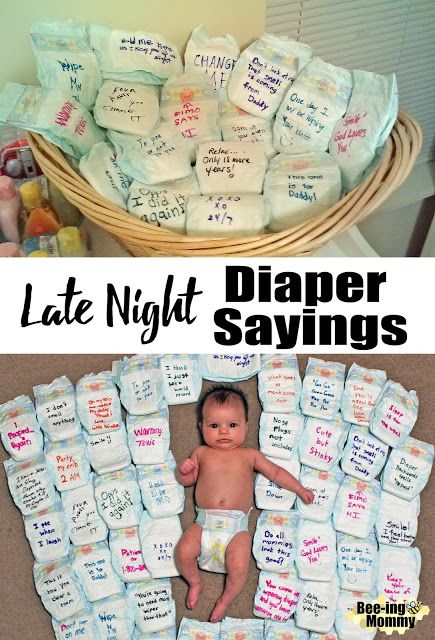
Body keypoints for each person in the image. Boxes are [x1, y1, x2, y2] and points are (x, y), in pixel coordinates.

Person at [175, 384, 314, 622]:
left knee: (240, 567)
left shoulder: (250, 455)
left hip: (236, 529)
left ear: (246, 426)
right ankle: (194, 582)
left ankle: (225, 599)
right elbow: (186, 481)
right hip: (204, 524)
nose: (223, 432)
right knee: (183, 551)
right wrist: (184, 471)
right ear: (201, 427)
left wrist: (299, 488)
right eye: (214, 426)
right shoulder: (201, 453)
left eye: (232, 425)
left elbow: (277, 473)